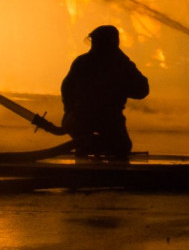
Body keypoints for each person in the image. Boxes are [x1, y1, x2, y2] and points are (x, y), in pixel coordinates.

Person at [60, 25, 150, 160]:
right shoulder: (120, 64)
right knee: (122, 147)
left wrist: (68, 111)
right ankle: (94, 147)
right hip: (105, 119)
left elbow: (66, 87)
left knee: (88, 143)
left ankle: (87, 147)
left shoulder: (82, 62)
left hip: (79, 120)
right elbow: (142, 90)